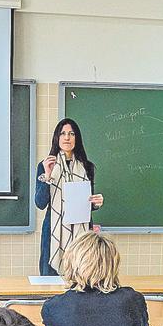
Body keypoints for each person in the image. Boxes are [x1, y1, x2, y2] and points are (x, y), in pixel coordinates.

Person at [34, 118, 104, 276]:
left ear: (76, 138)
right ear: (57, 138)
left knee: (83, 279)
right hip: (53, 231)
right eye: (63, 133)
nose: (67, 137)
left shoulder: (87, 167)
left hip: (82, 233)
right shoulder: (44, 165)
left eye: (71, 134)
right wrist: (48, 174)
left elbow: (87, 202)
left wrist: (96, 202)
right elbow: (40, 203)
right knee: (51, 283)